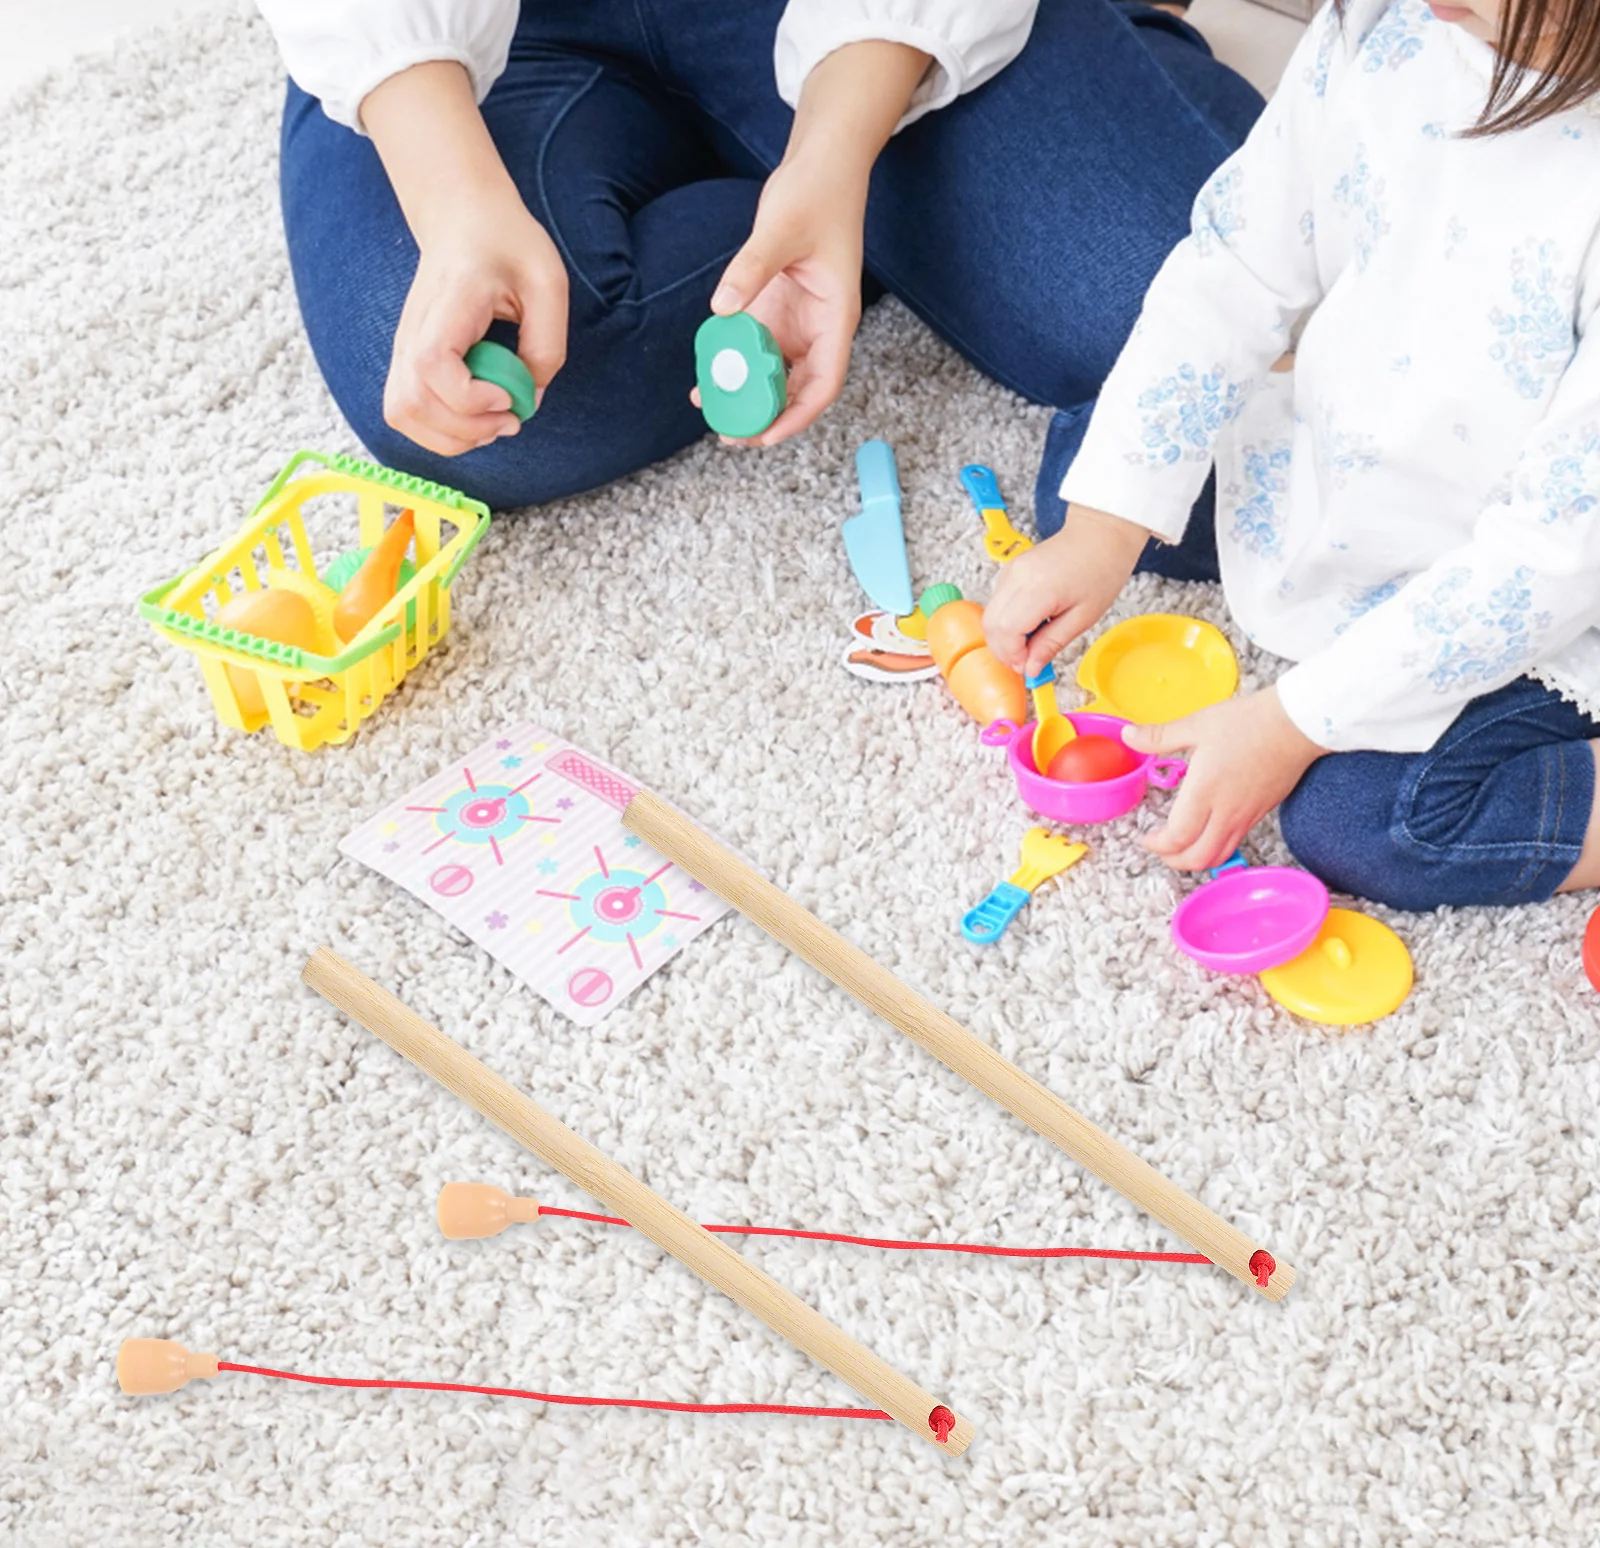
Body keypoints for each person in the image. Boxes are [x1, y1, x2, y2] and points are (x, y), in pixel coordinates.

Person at [984, 0, 1600, 912]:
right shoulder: (1384, 26)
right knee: (1090, 472)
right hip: (1364, 463)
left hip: (1556, 579)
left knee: (1365, 822)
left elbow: (1547, 562)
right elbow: (1234, 267)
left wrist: (1289, 722)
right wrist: (1105, 528)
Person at [257, 0, 1263, 510]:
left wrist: (834, 150)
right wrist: (459, 202)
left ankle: (851, 186)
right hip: (502, 36)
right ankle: (875, 215)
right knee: (487, 395)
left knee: (1202, 325)